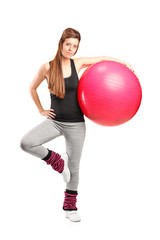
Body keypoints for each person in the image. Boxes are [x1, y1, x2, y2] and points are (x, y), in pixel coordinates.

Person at [20, 27, 134, 222]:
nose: (71, 49)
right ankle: (58, 162)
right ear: (61, 44)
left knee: (74, 168)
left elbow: (101, 59)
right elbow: (32, 87)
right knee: (26, 143)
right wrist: (41, 109)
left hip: (76, 124)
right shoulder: (46, 67)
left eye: (75, 46)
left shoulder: (77, 64)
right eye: (68, 44)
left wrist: (124, 64)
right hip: (55, 122)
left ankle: (70, 208)